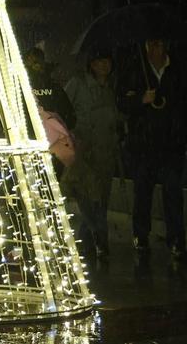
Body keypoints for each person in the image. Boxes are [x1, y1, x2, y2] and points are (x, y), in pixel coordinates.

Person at [118, 37, 187, 264]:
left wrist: (171, 102)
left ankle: (177, 241)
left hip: (171, 145)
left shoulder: (177, 71)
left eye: (158, 45)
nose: (153, 50)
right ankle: (141, 236)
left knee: (173, 193)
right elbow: (122, 102)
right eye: (150, 45)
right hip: (143, 146)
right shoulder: (136, 71)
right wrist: (141, 100)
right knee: (142, 193)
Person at [64, 49, 123, 261]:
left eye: (107, 61)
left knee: (101, 201)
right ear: (91, 64)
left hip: (106, 153)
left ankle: (89, 244)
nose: (103, 66)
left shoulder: (112, 87)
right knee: (88, 200)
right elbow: (64, 110)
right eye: (99, 61)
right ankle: (99, 240)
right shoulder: (77, 84)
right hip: (84, 153)